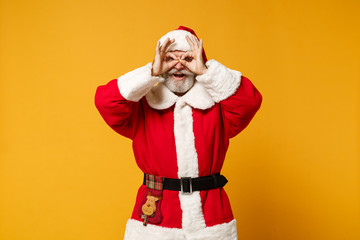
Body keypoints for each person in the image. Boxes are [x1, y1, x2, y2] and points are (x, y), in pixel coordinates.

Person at [95, 26, 262, 240]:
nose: (179, 64)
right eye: (170, 58)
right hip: (157, 212)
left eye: (188, 58)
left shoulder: (219, 108)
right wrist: (150, 72)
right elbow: (105, 102)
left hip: (210, 215)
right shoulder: (141, 108)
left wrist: (207, 72)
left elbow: (249, 102)